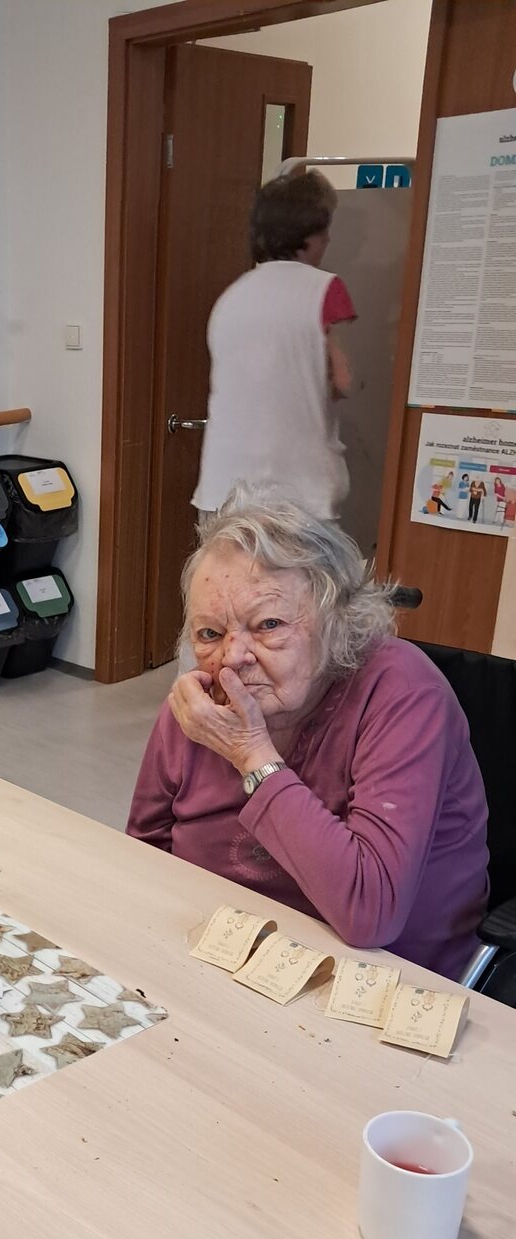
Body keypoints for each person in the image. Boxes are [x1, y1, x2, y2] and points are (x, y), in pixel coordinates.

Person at [128, 493, 489, 980]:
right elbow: (142, 851)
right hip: (212, 951)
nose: (232, 658)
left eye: (268, 625)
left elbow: (370, 913)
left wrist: (252, 756)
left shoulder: (405, 693)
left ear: (338, 624)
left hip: (375, 979)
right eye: (210, 634)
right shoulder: (203, 697)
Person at [194, 169, 356, 522]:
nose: (328, 239)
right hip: (297, 493)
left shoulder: (231, 296)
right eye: (324, 230)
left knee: (225, 560)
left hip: (222, 489)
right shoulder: (326, 289)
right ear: (308, 235)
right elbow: (346, 381)